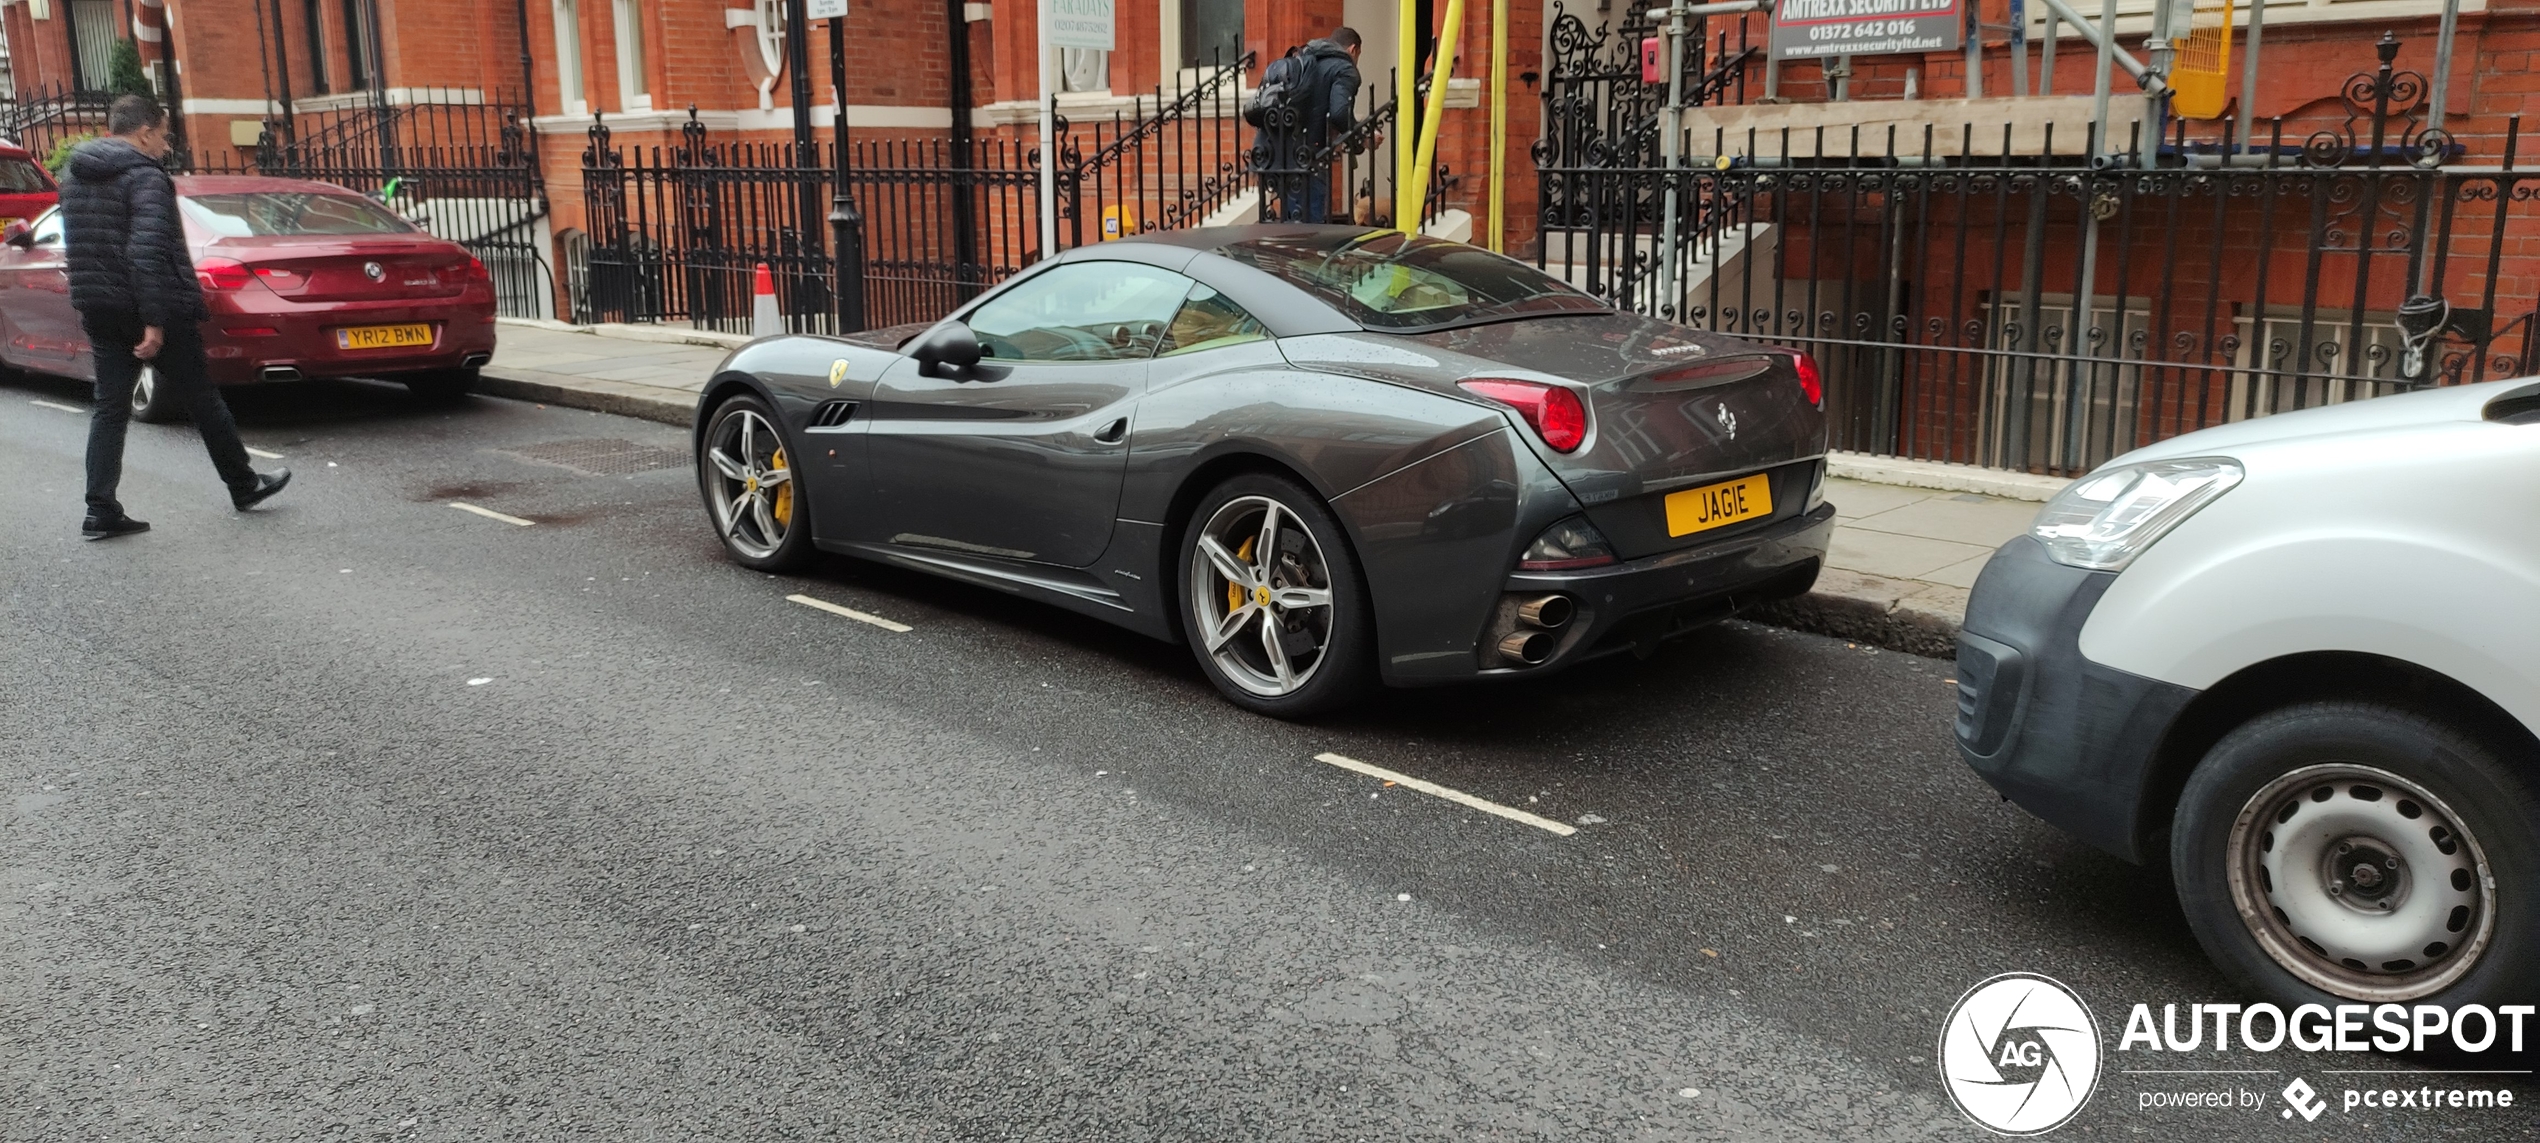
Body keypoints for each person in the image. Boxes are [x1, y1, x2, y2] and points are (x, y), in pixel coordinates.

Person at [65, 94, 288, 540]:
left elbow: (82, 245)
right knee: (203, 399)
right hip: (150, 308)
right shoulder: (145, 177)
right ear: (145, 132)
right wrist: (154, 320)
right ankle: (244, 485)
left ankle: (100, 509)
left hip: (99, 307)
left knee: (109, 408)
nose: (165, 145)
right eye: (164, 134)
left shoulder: (74, 173)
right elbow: (145, 252)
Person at [1254, 26, 1365, 224]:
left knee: (1290, 228)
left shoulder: (1305, 58)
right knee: (1309, 232)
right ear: (1353, 49)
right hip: (1308, 157)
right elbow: (1339, 113)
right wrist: (1361, 140)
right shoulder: (1345, 68)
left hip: (1276, 154)